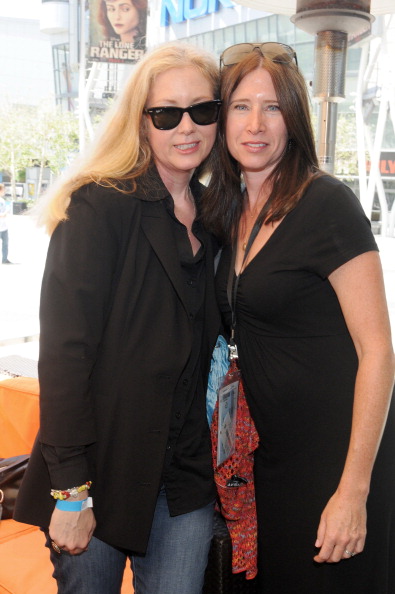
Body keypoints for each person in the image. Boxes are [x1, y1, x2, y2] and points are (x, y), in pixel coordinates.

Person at [14, 42, 222, 594]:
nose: (187, 127)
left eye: (203, 110)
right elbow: (64, 358)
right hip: (98, 477)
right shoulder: (98, 207)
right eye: (166, 113)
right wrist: (71, 492)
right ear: (141, 122)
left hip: (183, 479)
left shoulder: (218, 217)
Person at [202, 42, 395, 593]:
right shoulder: (227, 208)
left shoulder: (327, 203)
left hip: (333, 458)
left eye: (273, 107)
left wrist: (353, 491)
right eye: (241, 106)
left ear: (295, 120)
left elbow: (378, 351)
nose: (256, 124)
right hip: (264, 459)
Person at [0, 183, 12, 264]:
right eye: (3, 189)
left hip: (4, 227)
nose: (4, 191)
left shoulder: (2, 200)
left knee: (5, 244)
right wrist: (4, 214)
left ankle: (4, 259)